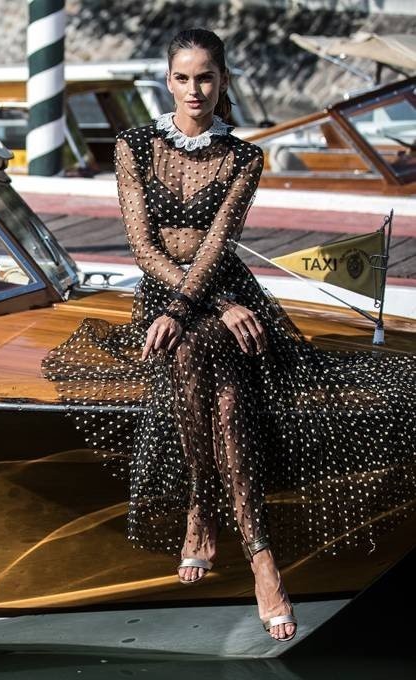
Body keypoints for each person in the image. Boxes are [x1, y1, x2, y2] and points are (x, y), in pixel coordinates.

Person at [42, 28, 416, 643]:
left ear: (223, 83)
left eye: (207, 78)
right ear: (168, 82)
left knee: (217, 373)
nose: (195, 90)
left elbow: (217, 245)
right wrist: (206, 303)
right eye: (183, 78)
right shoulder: (134, 145)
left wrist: (216, 300)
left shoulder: (244, 157)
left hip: (224, 288)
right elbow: (142, 246)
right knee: (207, 370)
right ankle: (258, 554)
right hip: (169, 293)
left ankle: (206, 517)